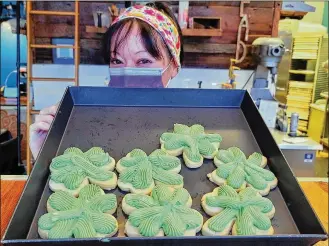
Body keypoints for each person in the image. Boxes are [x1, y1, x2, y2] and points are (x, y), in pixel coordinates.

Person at [29, 2, 183, 159]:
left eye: (143, 61)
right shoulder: (85, 126)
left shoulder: (190, 131)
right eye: (117, 61)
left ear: (174, 65)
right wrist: (45, 154)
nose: (128, 79)